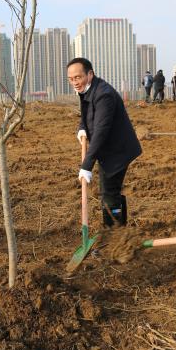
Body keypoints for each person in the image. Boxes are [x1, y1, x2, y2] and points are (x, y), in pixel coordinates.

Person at [67, 57, 141, 231]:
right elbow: (86, 110)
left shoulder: (103, 95)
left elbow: (101, 131)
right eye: (70, 79)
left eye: (78, 77)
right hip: (109, 147)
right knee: (110, 190)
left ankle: (114, 231)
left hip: (118, 150)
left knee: (108, 192)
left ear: (90, 74)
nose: (74, 82)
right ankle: (119, 227)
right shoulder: (87, 89)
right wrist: (82, 127)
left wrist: (86, 165)